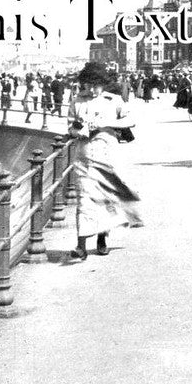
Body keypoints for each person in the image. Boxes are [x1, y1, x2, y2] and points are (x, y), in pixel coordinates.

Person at [67, 61, 141, 260]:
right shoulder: (77, 101)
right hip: (84, 157)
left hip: (107, 155)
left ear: (103, 84)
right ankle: (80, 245)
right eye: (87, 85)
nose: (91, 89)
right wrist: (78, 130)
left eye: (95, 85)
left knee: (104, 198)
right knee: (83, 199)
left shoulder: (113, 99)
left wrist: (106, 123)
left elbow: (130, 120)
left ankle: (102, 239)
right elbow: (70, 128)